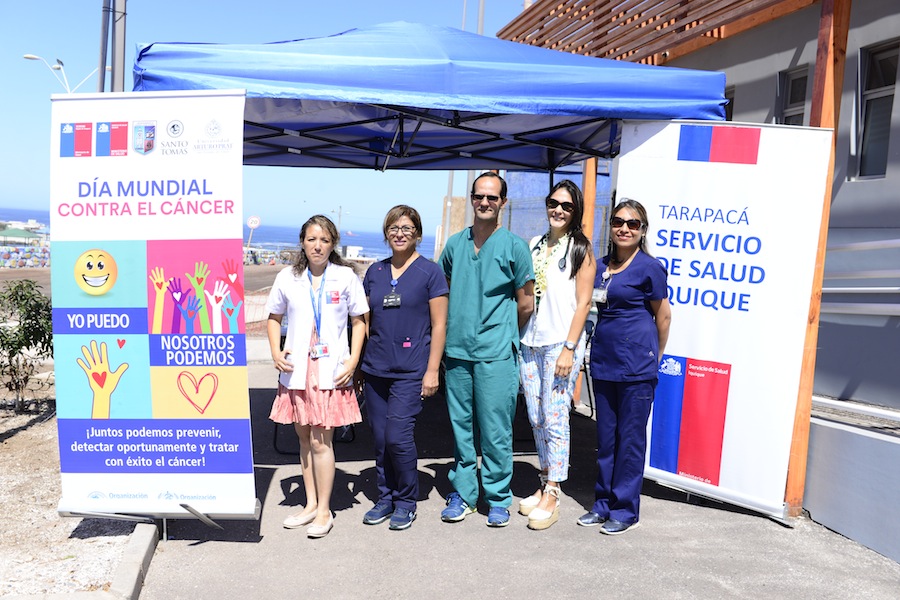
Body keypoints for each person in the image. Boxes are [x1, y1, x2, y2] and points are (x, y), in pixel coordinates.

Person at [438, 171, 535, 527]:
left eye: (492, 198)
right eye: (479, 196)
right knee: (461, 428)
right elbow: (444, 291)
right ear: (473, 198)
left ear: (502, 203)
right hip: (458, 350)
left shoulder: (514, 247)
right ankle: (463, 493)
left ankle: (497, 497)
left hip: (496, 353)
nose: (484, 203)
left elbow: (526, 303)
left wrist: (503, 333)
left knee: (496, 430)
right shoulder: (454, 245)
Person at [266, 215, 369, 539]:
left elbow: (360, 321)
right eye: (312, 239)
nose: (318, 245)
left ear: (332, 243)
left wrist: (353, 359)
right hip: (297, 369)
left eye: (324, 240)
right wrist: (275, 350)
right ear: (302, 243)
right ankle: (310, 504)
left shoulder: (345, 276)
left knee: (321, 440)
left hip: (330, 370)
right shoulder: (288, 276)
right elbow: (273, 316)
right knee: (303, 437)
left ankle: (325, 510)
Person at [579, 199, 671, 535]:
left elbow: (663, 316)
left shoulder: (650, 267)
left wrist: (655, 356)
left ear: (642, 230)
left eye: (633, 224)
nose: (625, 228)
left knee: (629, 441)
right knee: (605, 440)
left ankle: (624, 510)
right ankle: (602, 504)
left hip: (636, 368)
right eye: (619, 221)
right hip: (604, 362)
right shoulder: (601, 265)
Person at [359, 205, 448, 531]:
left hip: (411, 370)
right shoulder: (375, 272)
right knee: (381, 438)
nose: (400, 233)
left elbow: (439, 325)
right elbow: (364, 322)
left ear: (418, 235)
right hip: (375, 369)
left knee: (398, 436)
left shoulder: (429, 272)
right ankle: (385, 497)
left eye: (407, 228)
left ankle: (406, 501)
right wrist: (358, 364)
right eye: (394, 228)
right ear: (386, 233)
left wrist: (432, 370)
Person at [517, 180, 596, 530]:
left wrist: (569, 347)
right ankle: (544, 476)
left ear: (574, 211)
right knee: (535, 416)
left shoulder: (581, 249)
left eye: (566, 205)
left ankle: (554, 490)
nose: (558, 210)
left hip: (560, 344)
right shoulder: (533, 245)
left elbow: (584, 303)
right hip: (530, 341)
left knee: (555, 416)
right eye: (553, 203)